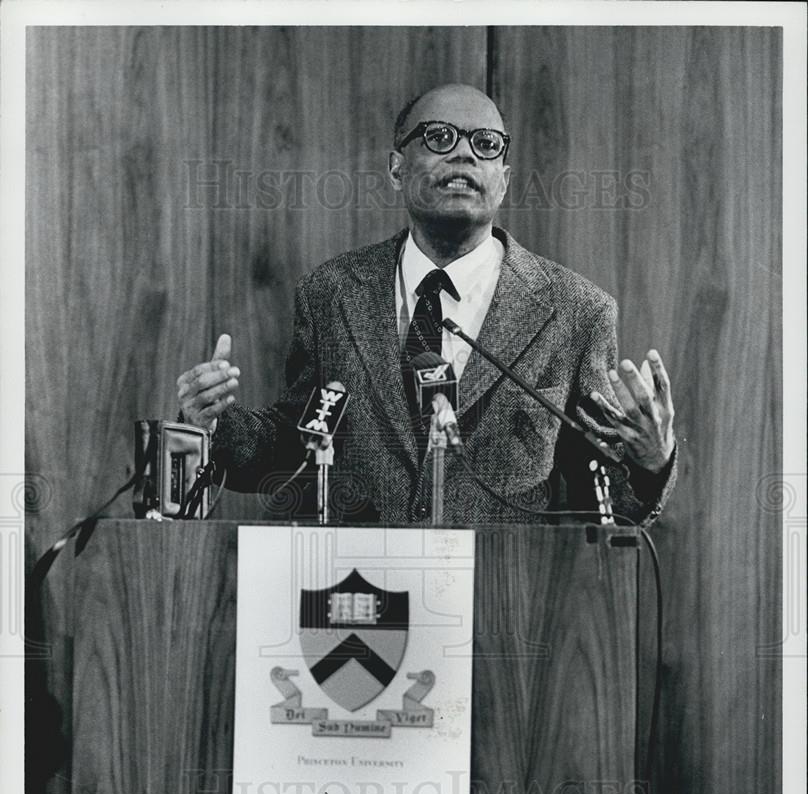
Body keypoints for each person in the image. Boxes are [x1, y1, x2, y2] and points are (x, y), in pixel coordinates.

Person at [177, 84, 676, 525]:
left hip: (503, 596)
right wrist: (217, 422)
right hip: (364, 596)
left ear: (502, 178)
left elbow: (602, 494)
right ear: (397, 167)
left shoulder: (576, 312)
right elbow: (296, 446)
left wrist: (651, 461)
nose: (463, 156)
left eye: (485, 145)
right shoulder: (332, 292)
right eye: (439, 137)